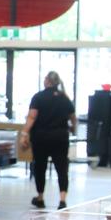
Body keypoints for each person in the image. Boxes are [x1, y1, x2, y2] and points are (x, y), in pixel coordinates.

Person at [22, 71, 77, 210]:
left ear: (47, 81)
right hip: (60, 138)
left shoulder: (38, 97)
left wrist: (24, 133)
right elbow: (73, 118)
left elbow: (32, 117)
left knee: (40, 167)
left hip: (41, 138)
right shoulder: (65, 98)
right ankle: (62, 200)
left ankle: (40, 198)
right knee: (62, 168)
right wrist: (72, 129)